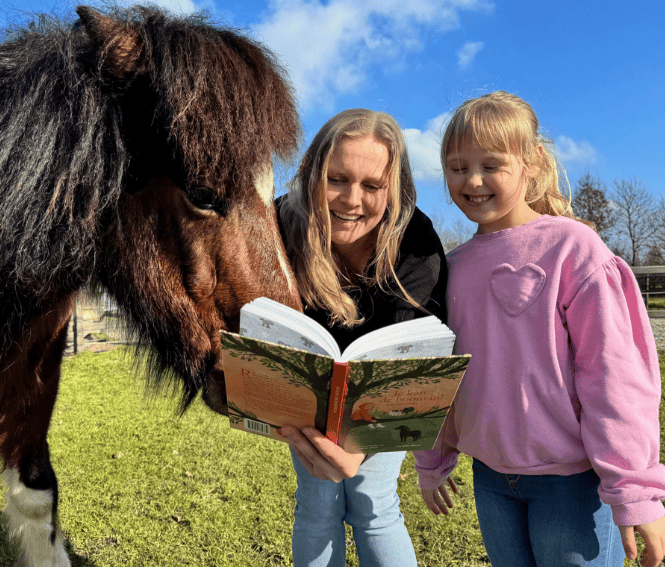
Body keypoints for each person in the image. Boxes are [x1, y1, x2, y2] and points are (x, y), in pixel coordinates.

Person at [414, 90, 665, 567]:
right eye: (456, 166)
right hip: (490, 481)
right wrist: (432, 459)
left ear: (531, 163)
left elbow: (614, 377)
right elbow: (441, 375)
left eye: (491, 164)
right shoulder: (450, 268)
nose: (473, 180)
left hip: (571, 486)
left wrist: (635, 489)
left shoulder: (574, 249)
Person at [276, 108, 447, 567]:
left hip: (383, 396)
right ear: (313, 173)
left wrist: (361, 446)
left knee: (373, 502)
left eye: (372, 186)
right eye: (337, 179)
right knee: (315, 503)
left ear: (394, 191)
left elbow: (416, 359)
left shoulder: (415, 241)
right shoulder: (280, 224)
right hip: (307, 399)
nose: (351, 200)